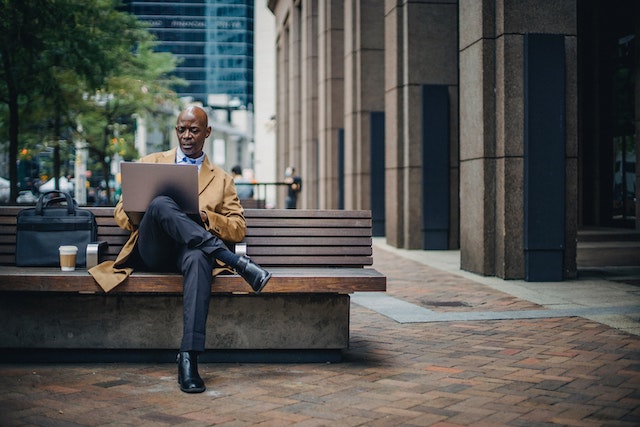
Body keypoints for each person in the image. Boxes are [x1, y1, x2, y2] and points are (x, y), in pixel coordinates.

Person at [89, 105, 271, 394]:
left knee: (200, 257)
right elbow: (120, 215)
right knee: (161, 204)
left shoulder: (222, 179)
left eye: (194, 130)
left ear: (207, 133)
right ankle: (234, 262)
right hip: (153, 250)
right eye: (181, 129)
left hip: (190, 254)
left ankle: (189, 357)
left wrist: (205, 217)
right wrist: (146, 210)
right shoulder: (151, 163)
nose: (186, 136)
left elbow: (238, 227)